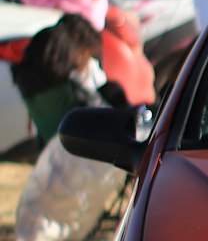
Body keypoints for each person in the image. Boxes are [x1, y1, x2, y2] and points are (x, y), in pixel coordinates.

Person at [11, 14, 127, 150]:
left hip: (53, 146)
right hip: (74, 146)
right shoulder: (70, 88)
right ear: (81, 50)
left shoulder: (39, 56)